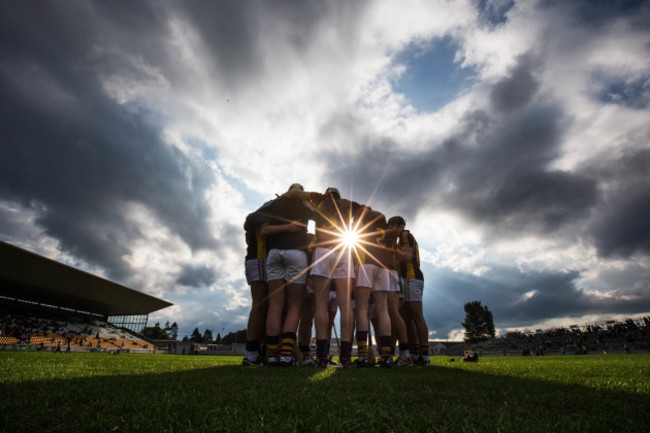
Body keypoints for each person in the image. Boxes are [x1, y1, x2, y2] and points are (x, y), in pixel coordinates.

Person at [302, 187, 363, 368]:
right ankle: (345, 358)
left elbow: (305, 203)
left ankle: (321, 356)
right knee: (345, 305)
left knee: (320, 303)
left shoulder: (320, 201)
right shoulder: (347, 205)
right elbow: (363, 210)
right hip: (344, 250)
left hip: (323, 249)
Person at [260, 183, 315, 366]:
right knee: (294, 305)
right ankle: (285, 354)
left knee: (275, 305)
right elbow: (323, 218)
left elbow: (264, 230)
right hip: (296, 253)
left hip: (274, 253)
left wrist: (284, 228)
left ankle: (271, 354)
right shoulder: (304, 205)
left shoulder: (275, 204)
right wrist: (292, 227)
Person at [353, 206, 395, 368]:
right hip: (383, 267)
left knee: (362, 308)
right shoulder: (383, 225)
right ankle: (386, 355)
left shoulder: (362, 223)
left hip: (365, 264)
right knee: (383, 310)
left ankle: (363, 355)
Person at [389, 216, 430, 366]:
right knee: (407, 318)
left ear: (397, 225)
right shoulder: (402, 238)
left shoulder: (405, 235)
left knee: (417, 315)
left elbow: (405, 256)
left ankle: (425, 356)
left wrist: (391, 249)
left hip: (412, 277)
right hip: (407, 279)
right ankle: (414, 353)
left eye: (392, 227)